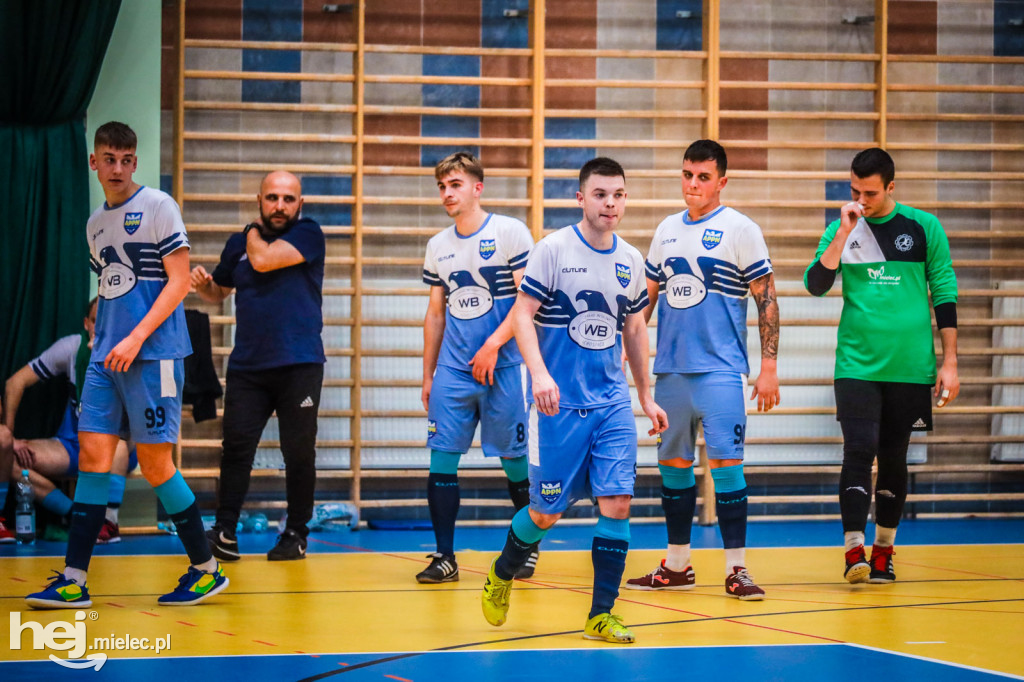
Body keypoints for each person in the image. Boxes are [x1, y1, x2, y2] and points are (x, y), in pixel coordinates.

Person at [25, 121, 227, 608]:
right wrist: (106, 343)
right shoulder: (95, 223)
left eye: (125, 159)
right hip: (105, 359)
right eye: (108, 159)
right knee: (94, 462)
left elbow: (179, 283)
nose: (117, 168)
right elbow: (111, 288)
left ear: (134, 162)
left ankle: (206, 568)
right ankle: (74, 579)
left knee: (157, 465)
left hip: (152, 356)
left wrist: (136, 338)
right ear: (94, 163)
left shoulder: (158, 206)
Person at [480, 157, 669, 644]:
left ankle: (600, 615)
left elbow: (633, 328)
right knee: (544, 514)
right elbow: (522, 316)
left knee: (618, 502)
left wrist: (645, 396)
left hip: (610, 405)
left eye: (618, 195)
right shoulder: (553, 250)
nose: (610, 203)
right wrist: (538, 375)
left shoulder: (631, 259)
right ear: (580, 198)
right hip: (555, 409)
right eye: (601, 194)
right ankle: (502, 572)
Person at [625, 140, 778, 600]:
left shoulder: (741, 229)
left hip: (721, 372)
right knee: (673, 469)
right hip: (670, 372)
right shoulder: (666, 230)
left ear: (722, 182)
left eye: (703, 177)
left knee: (727, 469)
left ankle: (736, 570)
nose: (693, 184)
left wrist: (768, 364)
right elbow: (645, 303)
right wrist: (619, 352)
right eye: (688, 174)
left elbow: (766, 298)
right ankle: (676, 565)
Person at [804, 147, 958, 584]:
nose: (861, 199)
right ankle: (853, 548)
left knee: (893, 458)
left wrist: (951, 363)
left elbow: (944, 293)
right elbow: (816, 284)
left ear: (891, 187)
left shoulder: (923, 227)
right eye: (855, 190)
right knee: (858, 449)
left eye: (870, 192)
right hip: (856, 365)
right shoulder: (841, 228)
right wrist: (842, 235)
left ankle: (884, 551)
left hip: (909, 367)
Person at [191, 170, 325, 562]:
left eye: (287, 199)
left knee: (298, 452)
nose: (279, 206)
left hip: (299, 364)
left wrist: (251, 230)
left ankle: (296, 533)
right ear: (259, 199)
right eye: (272, 198)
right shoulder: (238, 245)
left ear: (300, 204)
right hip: (249, 366)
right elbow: (220, 291)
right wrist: (205, 288)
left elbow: (263, 260)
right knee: (235, 448)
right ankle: (225, 533)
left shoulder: (308, 234)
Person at [419, 152, 535, 583]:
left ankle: (527, 546)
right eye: (443, 187)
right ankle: (444, 556)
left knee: (515, 463)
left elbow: (528, 302)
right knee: (441, 461)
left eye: (455, 185)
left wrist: (492, 345)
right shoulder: (438, 246)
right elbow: (435, 314)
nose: (448, 194)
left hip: (504, 368)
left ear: (476, 188)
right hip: (454, 370)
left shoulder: (509, 232)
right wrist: (428, 374)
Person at [1, 298, 136, 544]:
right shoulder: (73, 349)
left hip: (115, 448)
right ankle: (76, 513)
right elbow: (14, 383)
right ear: (87, 323)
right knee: (5, 456)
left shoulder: (129, 353)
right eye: (96, 321)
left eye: (108, 321)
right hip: (72, 447)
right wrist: (9, 438)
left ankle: (109, 522)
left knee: (115, 444)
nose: (101, 327)